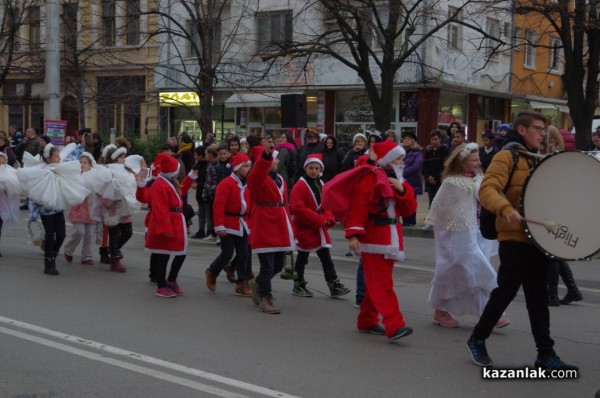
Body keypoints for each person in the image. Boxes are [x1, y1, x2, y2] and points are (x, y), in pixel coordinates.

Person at [466, 111, 578, 371]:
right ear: (522, 129)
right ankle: (477, 338)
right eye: (538, 129)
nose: (542, 133)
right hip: (514, 237)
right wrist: (505, 208)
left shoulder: (540, 160)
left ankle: (546, 354)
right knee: (505, 291)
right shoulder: (507, 156)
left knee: (538, 298)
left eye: (544, 129)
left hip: (539, 239)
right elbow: (488, 189)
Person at [426, 143, 509, 328]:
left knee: (471, 272)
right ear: (463, 162)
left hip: (477, 231)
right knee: (463, 269)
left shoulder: (479, 179)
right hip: (457, 234)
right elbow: (441, 211)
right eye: (474, 160)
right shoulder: (451, 183)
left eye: (478, 159)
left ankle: (487, 314)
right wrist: (458, 226)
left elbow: (488, 199)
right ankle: (443, 310)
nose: (478, 162)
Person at [344, 140, 417, 341]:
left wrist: (402, 190)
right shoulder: (370, 177)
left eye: (402, 157)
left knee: (377, 283)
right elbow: (358, 206)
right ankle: (394, 324)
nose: (402, 161)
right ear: (387, 160)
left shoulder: (399, 179)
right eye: (398, 158)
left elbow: (409, 210)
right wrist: (353, 234)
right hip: (374, 237)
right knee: (382, 284)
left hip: (391, 235)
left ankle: (366, 320)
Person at [17, 144, 91, 275]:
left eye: (58, 155)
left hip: (58, 208)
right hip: (46, 210)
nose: (59, 158)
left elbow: (72, 159)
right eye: (56, 156)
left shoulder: (60, 168)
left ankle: (52, 254)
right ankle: (49, 262)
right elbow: (35, 191)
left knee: (61, 234)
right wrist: (33, 214)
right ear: (48, 158)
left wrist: (81, 145)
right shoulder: (41, 170)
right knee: (50, 234)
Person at [289, 154, 351, 298]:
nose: (314, 171)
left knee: (325, 257)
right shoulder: (300, 185)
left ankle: (333, 283)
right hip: (305, 226)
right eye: (311, 168)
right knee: (302, 257)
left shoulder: (322, 184)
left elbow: (327, 204)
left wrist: (328, 217)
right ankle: (298, 284)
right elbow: (298, 208)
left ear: (320, 169)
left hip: (318, 226)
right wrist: (318, 219)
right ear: (305, 168)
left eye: (317, 168)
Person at [247, 147, 295, 314]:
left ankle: (257, 283)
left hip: (280, 223)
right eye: (275, 158)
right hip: (264, 222)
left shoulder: (280, 178)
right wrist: (266, 155)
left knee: (279, 265)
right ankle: (265, 297)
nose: (278, 161)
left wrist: (290, 225)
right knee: (267, 266)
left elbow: (286, 203)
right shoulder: (256, 178)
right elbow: (259, 170)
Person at [138, 153, 188, 298]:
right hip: (168, 223)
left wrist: (191, 177)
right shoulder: (160, 185)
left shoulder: (170, 182)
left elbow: (181, 191)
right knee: (162, 255)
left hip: (176, 221)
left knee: (181, 252)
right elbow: (160, 208)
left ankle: (171, 279)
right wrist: (164, 228)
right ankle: (161, 285)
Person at [205, 152, 253, 296]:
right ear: (237, 168)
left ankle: (242, 283)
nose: (249, 168)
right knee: (227, 253)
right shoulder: (226, 184)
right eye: (245, 166)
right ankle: (212, 272)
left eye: (249, 165)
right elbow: (218, 206)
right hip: (228, 223)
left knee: (244, 254)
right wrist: (219, 226)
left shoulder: (248, 184)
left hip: (243, 223)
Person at [544, 126, 583, 307]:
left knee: (552, 253)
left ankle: (552, 294)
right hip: (562, 208)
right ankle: (572, 289)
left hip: (553, 208)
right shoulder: (567, 160)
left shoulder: (555, 160)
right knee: (555, 253)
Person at [63, 153, 99, 265]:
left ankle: (87, 255)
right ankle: (68, 249)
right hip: (79, 207)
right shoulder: (76, 176)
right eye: (81, 162)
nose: (82, 165)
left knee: (89, 233)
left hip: (91, 208)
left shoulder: (95, 177)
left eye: (85, 163)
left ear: (90, 165)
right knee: (79, 231)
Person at [422, 130, 450, 209]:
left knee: (441, 202)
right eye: (432, 139)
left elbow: (445, 167)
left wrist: (437, 178)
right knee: (432, 201)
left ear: (440, 139)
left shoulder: (444, 150)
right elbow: (424, 166)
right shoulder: (428, 151)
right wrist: (428, 177)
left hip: (440, 181)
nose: (433, 141)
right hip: (430, 182)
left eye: (435, 139)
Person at [0, 152, 21, 256]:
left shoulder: (9, 170)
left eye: (2, 158)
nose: (0, 160)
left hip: (2, 203)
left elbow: (14, 185)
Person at [400, 131, 422, 226]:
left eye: (408, 139)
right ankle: (405, 221)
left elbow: (416, 165)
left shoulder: (417, 153)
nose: (405, 140)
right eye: (404, 138)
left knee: (411, 201)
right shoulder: (400, 152)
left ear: (413, 141)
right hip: (401, 181)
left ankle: (411, 221)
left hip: (412, 180)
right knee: (403, 201)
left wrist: (402, 172)